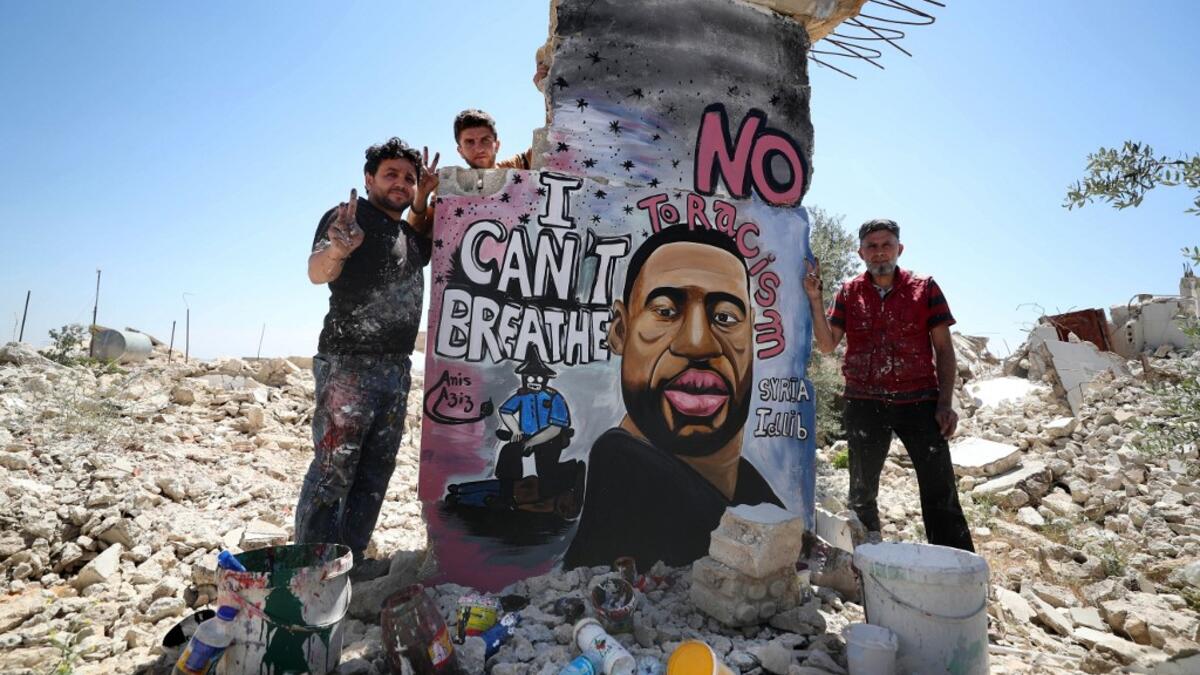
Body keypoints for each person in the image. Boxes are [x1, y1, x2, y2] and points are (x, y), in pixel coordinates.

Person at [563, 226, 782, 570]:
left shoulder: (750, 492)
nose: (697, 343)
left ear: (750, 336)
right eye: (665, 311)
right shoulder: (626, 468)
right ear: (620, 331)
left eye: (725, 317)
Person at [296, 137, 438, 580]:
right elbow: (317, 272)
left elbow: (419, 234)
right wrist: (338, 248)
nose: (400, 183)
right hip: (349, 365)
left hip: (396, 369)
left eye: (409, 179)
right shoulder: (349, 218)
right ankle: (311, 568)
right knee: (334, 469)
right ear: (369, 179)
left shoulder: (407, 235)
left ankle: (351, 561)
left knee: (375, 470)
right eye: (391, 174)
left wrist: (425, 198)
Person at [807, 218, 974, 551]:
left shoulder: (924, 288)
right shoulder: (849, 292)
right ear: (861, 253)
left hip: (919, 401)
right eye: (872, 246)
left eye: (886, 245)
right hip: (864, 403)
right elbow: (827, 344)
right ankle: (869, 560)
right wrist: (815, 298)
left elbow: (944, 349)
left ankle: (956, 562)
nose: (879, 252)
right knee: (862, 491)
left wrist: (945, 403)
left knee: (939, 488)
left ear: (899, 248)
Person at [407, 109, 532, 232]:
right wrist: (421, 195)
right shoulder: (449, 187)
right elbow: (415, 231)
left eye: (485, 140)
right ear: (460, 151)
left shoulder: (517, 167)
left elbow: (549, 142)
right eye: (469, 142)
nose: (479, 149)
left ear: (497, 145)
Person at [496, 351, 573, 498]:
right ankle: (507, 494)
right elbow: (505, 411)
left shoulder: (553, 397)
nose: (535, 381)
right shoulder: (522, 395)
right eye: (531, 377)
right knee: (508, 452)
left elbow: (555, 428)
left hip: (549, 437)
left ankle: (548, 496)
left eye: (539, 378)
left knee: (546, 467)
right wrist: (515, 429)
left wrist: (531, 442)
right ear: (525, 378)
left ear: (544, 379)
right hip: (525, 436)